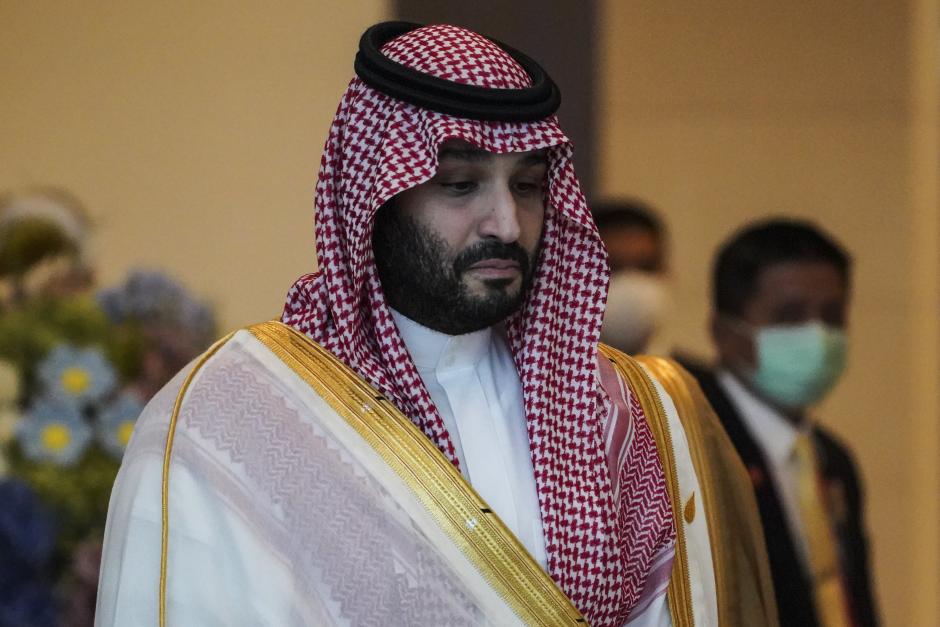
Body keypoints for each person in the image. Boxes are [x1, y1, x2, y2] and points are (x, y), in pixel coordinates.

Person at [96, 22, 777, 626]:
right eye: (460, 185)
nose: (507, 224)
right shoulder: (234, 416)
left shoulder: (619, 412)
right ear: (377, 196)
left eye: (528, 185)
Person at [682, 219, 879, 627]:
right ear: (724, 332)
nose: (818, 335)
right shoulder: (688, 446)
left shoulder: (832, 458)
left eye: (832, 315)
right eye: (790, 316)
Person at [594, 199, 670, 354]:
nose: (631, 283)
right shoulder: (545, 374)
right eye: (613, 268)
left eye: (645, 267)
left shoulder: (687, 377)